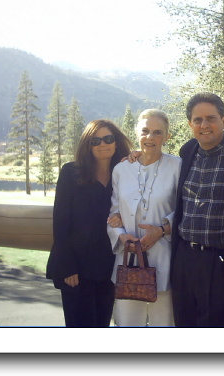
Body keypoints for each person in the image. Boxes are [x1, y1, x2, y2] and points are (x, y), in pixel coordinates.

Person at [170, 93, 224, 327]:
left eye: (211, 118)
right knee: (185, 325)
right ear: (190, 124)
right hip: (185, 258)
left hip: (223, 260)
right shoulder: (187, 151)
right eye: (197, 120)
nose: (204, 125)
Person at [46, 120, 132, 327]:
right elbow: (61, 222)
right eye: (96, 141)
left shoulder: (124, 173)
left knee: (102, 324)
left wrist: (123, 217)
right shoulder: (71, 172)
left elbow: (134, 206)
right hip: (76, 268)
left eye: (108, 139)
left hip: (108, 265)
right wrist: (68, 268)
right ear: (88, 145)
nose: (103, 144)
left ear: (116, 142)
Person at [107, 109, 181, 327]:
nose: (150, 137)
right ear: (136, 133)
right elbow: (114, 212)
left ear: (167, 136)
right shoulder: (121, 169)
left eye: (158, 132)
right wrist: (122, 236)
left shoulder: (178, 166)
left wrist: (162, 229)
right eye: (145, 131)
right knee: (127, 324)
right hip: (128, 259)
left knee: (164, 324)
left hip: (164, 259)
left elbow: (186, 209)